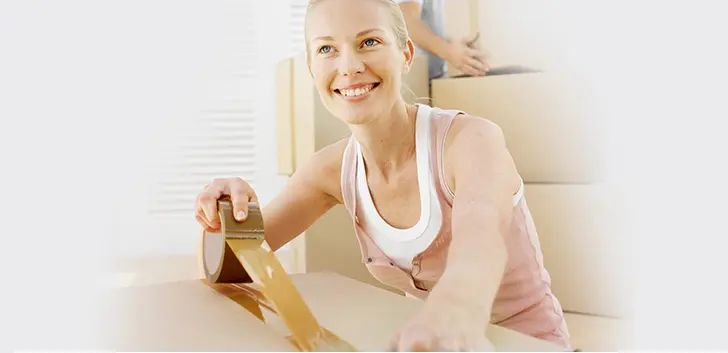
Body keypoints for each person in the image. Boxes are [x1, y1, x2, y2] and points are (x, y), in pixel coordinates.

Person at [194, 0, 570, 350]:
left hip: (525, 341)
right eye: (327, 49)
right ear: (311, 68)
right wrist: (225, 219)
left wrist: (452, 310)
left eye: (369, 41)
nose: (349, 66)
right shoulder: (328, 170)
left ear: (405, 54)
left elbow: (481, 239)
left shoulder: (470, 140)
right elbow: (231, 268)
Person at [395, 0, 489, 79]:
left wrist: (457, 49)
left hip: (432, 77)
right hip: (413, 79)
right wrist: (448, 51)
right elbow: (405, 22)